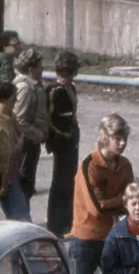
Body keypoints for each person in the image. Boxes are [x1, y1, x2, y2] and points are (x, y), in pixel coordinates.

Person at [69, 114, 135, 274]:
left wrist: (121, 202)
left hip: (113, 236)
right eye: (117, 138)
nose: (123, 143)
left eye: (125, 138)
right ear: (105, 138)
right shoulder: (90, 165)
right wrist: (122, 200)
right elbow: (96, 208)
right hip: (87, 239)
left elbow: (133, 201)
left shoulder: (125, 164)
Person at [45, 51, 81, 237]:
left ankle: (67, 222)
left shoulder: (71, 89)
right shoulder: (53, 91)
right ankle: (55, 225)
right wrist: (63, 135)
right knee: (60, 183)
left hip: (71, 140)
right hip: (61, 142)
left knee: (69, 182)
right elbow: (49, 119)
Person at [13, 48, 48, 200]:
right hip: (25, 144)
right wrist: (38, 134)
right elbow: (19, 121)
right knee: (23, 187)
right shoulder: (25, 88)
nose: (42, 69)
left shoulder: (32, 85)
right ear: (30, 69)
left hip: (29, 143)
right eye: (39, 66)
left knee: (27, 186)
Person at [0, 81, 30, 222]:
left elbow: (19, 135)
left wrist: (19, 143)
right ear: (2, 99)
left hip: (10, 178)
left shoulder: (11, 117)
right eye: (13, 98)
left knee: (22, 220)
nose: (16, 100)